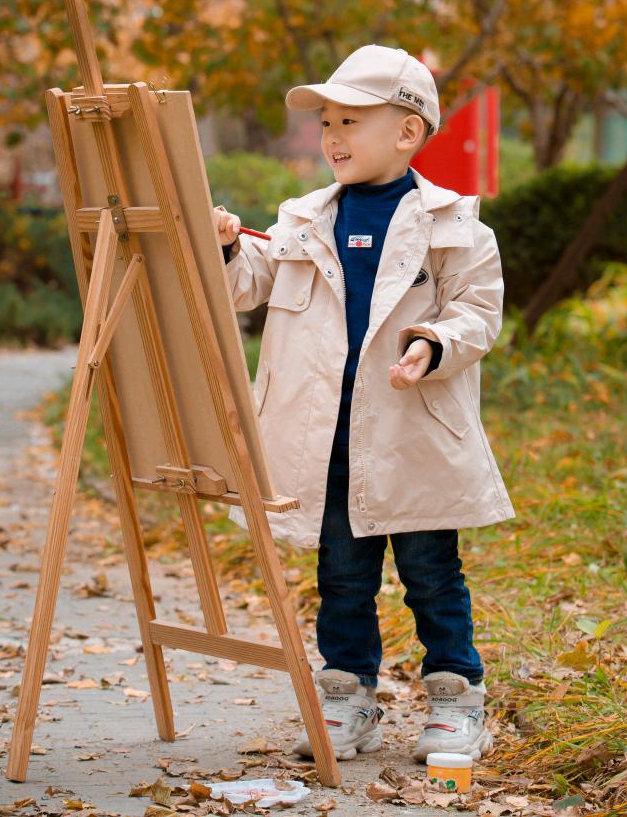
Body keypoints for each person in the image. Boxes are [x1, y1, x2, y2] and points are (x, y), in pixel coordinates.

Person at [212, 44, 514, 763]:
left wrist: (433, 342)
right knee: (341, 580)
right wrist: (227, 247)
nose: (333, 136)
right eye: (326, 122)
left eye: (352, 118)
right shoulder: (302, 223)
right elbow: (248, 284)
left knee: (432, 576)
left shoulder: (453, 226)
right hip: (329, 442)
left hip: (412, 439)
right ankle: (348, 698)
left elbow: (479, 311)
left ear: (407, 131)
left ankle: (454, 699)